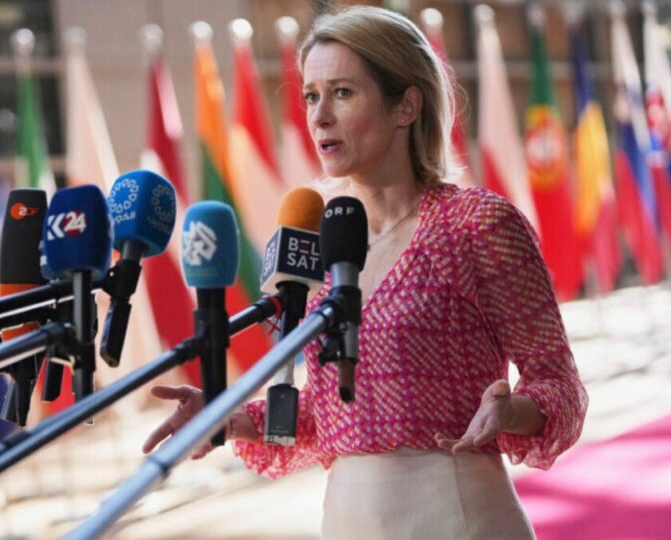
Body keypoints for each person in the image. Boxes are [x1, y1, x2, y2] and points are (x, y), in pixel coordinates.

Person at [143, 5, 588, 539]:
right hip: (347, 519)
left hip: (458, 515)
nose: (319, 116)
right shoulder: (315, 236)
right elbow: (334, 412)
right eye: (311, 96)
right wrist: (231, 418)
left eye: (342, 93)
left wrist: (510, 411)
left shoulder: (476, 224)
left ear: (406, 105)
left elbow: (559, 384)